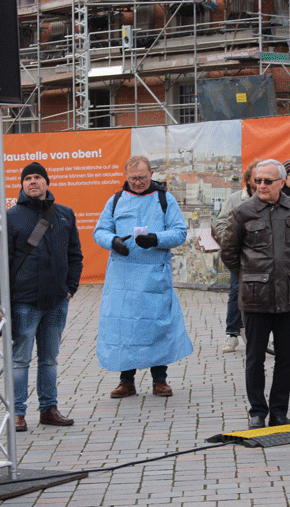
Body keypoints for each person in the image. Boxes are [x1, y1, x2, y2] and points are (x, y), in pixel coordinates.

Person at [221, 159, 290, 428]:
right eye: (257, 180)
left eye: (267, 181)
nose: (261, 185)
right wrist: (251, 275)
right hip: (255, 298)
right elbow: (228, 252)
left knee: (285, 358)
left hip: (289, 296)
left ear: (282, 183)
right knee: (255, 358)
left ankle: (280, 411)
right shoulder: (242, 212)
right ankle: (257, 412)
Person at [94, 155, 193, 398]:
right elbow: (100, 231)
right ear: (126, 177)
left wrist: (157, 239)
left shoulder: (164, 199)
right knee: (124, 328)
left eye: (142, 177)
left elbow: (180, 232)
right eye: (133, 178)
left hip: (153, 277)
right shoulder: (116, 200)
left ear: (151, 175)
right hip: (123, 278)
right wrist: (113, 242)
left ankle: (160, 379)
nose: (138, 182)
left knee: (156, 325)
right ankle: (126, 381)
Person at [0, 162, 83, 432]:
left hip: (57, 300)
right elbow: (0, 263)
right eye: (28, 178)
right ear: (22, 184)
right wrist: (0, 301)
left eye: (38, 177)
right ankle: (18, 413)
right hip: (24, 301)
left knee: (50, 359)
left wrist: (71, 288)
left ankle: (49, 409)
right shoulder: (10, 217)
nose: (33, 182)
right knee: (20, 359)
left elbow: (75, 254)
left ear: (47, 182)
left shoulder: (65, 215)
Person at [214, 161, 258, 353]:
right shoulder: (235, 199)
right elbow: (221, 223)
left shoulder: (272, 197)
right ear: (248, 179)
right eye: (257, 178)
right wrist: (233, 241)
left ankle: (258, 334)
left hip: (264, 257)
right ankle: (232, 333)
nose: (261, 183)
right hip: (240, 255)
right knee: (235, 291)